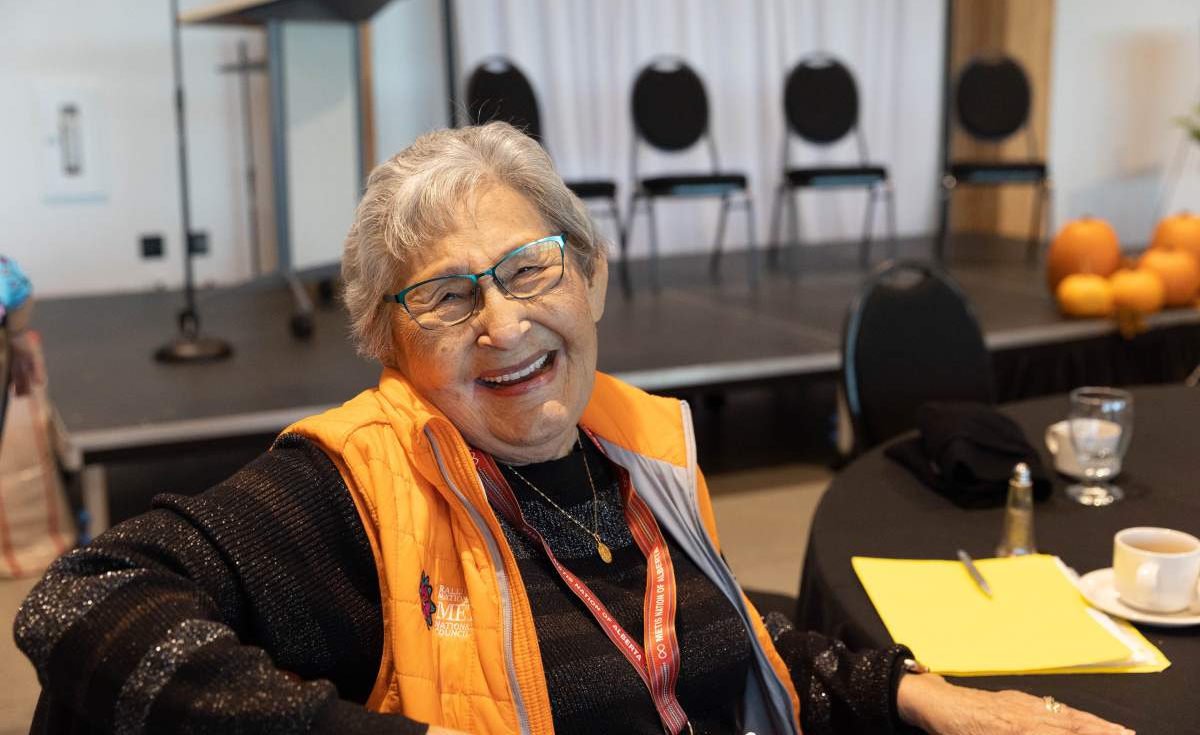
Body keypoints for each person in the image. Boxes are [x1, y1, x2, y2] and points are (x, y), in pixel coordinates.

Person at [15, 123, 1134, 735]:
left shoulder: (629, 450)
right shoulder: (356, 487)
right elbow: (77, 600)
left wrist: (919, 691)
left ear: (590, 278)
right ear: (390, 344)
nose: (502, 323)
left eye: (529, 269)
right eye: (445, 297)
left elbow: (717, 635)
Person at [1, 255, 43, 399]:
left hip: (19, 301)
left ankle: (35, 368)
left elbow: (3, 301)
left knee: (16, 337)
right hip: (10, 296)